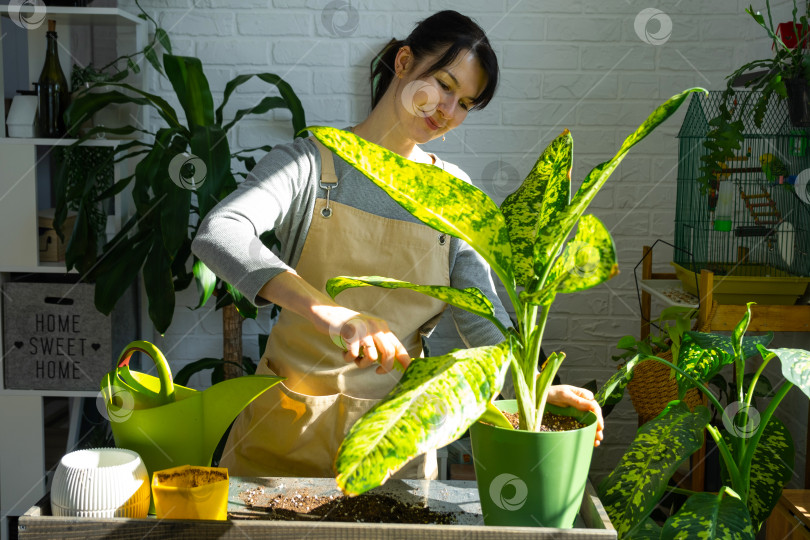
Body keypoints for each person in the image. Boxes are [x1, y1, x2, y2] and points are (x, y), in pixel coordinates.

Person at [191, 10, 604, 479]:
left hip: (395, 447)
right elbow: (220, 231)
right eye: (445, 85)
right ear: (404, 62)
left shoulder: (455, 198)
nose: (448, 111)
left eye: (466, 103)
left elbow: (483, 320)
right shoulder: (312, 163)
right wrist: (336, 313)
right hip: (283, 433)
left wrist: (536, 387)